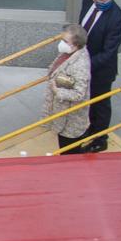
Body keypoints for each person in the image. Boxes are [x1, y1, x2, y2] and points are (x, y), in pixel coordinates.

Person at [75, 0, 121, 153]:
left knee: (101, 104)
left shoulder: (116, 19)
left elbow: (109, 52)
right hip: (84, 59)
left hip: (101, 69)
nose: (105, 2)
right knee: (88, 100)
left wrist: (84, 64)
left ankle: (100, 138)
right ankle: (91, 129)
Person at [43, 22, 92, 154]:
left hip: (70, 120)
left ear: (75, 44)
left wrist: (57, 91)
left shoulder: (80, 66)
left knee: (69, 151)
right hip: (64, 115)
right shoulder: (69, 53)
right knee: (65, 147)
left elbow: (79, 93)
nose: (61, 43)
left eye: (65, 40)